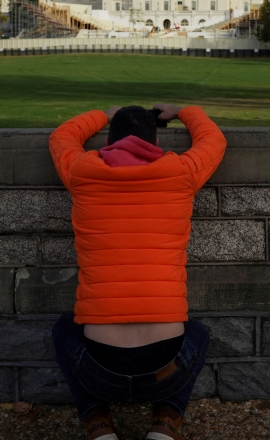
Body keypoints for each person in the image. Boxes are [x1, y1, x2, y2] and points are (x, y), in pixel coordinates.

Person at [49, 103, 227, 440]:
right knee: (198, 333)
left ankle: (97, 423)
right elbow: (214, 141)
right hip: (167, 369)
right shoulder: (181, 172)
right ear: (154, 140)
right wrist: (183, 111)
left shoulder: (82, 171)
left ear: (109, 140)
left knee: (63, 329)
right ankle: (166, 421)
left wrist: (102, 113)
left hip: (99, 370)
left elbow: (62, 136)